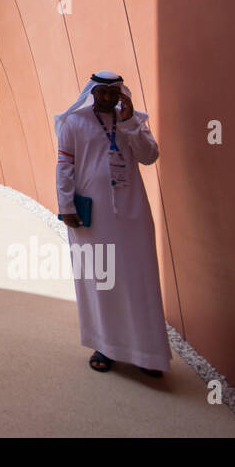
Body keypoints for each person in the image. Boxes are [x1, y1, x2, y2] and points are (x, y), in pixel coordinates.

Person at [54, 70, 170, 377]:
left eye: (113, 93)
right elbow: (64, 168)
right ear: (92, 93)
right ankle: (105, 346)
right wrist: (66, 206)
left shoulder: (132, 122)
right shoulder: (74, 123)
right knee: (101, 280)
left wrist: (131, 123)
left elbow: (149, 156)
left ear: (121, 94)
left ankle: (147, 353)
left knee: (138, 279)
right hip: (92, 217)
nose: (107, 98)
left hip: (132, 214)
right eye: (102, 93)